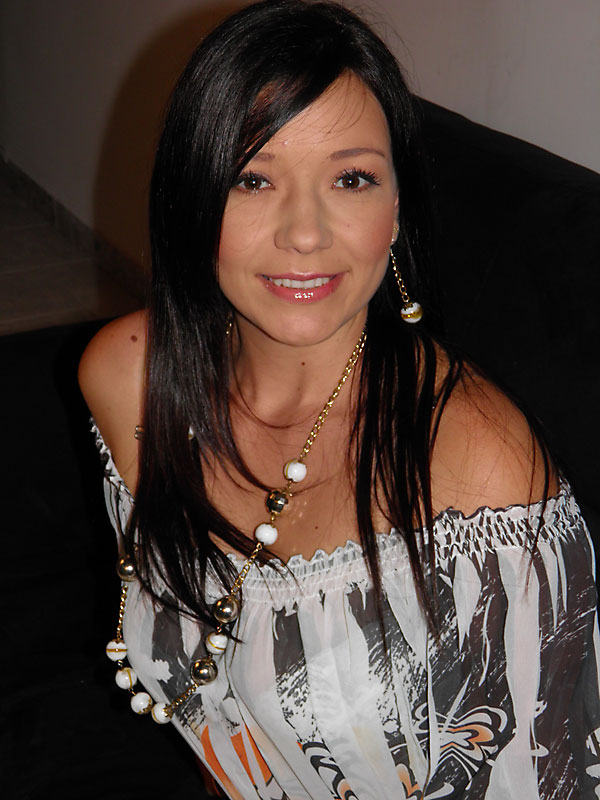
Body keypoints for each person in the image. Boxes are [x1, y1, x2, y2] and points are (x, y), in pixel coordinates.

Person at [78, 1, 600, 797]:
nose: (305, 233)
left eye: (351, 179)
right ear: (192, 200)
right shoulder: (130, 379)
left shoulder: (477, 467)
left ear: (396, 210)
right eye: (253, 178)